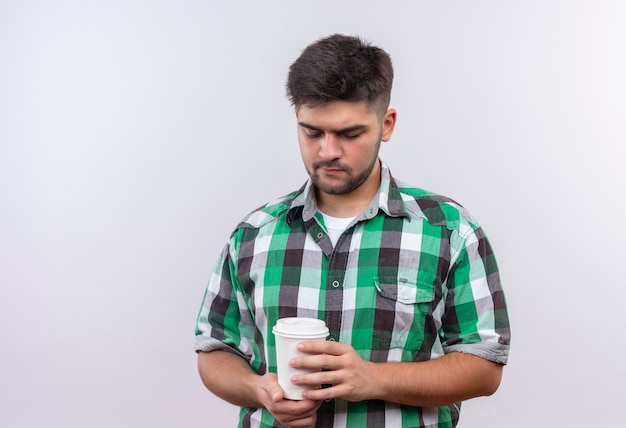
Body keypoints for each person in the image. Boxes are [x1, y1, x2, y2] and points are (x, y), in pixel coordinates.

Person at [195, 34, 510, 428]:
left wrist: (373, 378)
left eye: (349, 134)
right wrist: (258, 389)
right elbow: (214, 350)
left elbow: (484, 367)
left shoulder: (449, 231)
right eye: (312, 132)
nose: (327, 151)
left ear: (387, 124)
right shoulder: (253, 235)